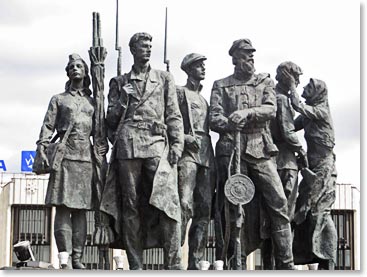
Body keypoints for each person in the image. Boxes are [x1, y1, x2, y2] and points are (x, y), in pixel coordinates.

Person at [100, 32, 184, 270]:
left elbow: (173, 113)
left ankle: (173, 262)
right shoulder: (119, 82)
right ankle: (136, 265)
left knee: (168, 202)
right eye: (142, 46)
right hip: (128, 145)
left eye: (149, 46)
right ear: (133, 50)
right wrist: (123, 100)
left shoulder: (164, 78)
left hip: (157, 143)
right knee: (131, 205)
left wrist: (177, 144)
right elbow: (111, 122)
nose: (147, 50)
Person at [210, 39, 295, 269]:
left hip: (259, 147)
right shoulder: (221, 85)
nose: (251, 59)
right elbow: (214, 118)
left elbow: (270, 109)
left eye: (252, 56)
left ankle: (286, 264)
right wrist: (230, 122)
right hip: (231, 149)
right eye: (246, 56)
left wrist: (246, 113)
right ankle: (234, 262)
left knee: (278, 201)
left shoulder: (264, 82)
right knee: (233, 208)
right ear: (235, 59)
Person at [34, 54, 106, 269]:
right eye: (72, 67)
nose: (75, 69)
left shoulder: (93, 102)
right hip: (64, 158)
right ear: (68, 72)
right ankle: (64, 259)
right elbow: (47, 126)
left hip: (86, 159)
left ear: (85, 72)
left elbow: (101, 132)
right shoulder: (59, 99)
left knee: (82, 210)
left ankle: (78, 257)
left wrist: (102, 147)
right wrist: (42, 146)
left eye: (79, 66)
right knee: (63, 208)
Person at [289, 77, 337, 270]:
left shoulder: (320, 111)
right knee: (303, 212)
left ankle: (329, 257)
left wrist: (291, 83)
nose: (304, 88)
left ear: (318, 93)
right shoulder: (308, 116)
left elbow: (296, 105)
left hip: (324, 169)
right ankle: (309, 254)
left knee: (320, 213)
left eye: (309, 87)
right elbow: (290, 127)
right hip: (310, 169)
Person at [262, 61, 308, 269]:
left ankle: (270, 264)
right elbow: (288, 132)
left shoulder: (273, 97)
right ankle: (283, 265)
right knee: (284, 216)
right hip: (285, 162)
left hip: (273, 161)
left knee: (272, 216)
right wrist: (301, 150)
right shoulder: (281, 99)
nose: (298, 83)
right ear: (287, 77)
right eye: (296, 78)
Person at [176, 53, 216, 270]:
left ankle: (194, 263)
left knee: (204, 211)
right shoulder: (178, 92)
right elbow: (166, 122)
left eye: (203, 65)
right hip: (186, 154)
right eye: (199, 65)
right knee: (184, 204)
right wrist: (183, 138)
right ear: (188, 68)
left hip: (206, 155)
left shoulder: (203, 99)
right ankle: (173, 256)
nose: (203, 68)